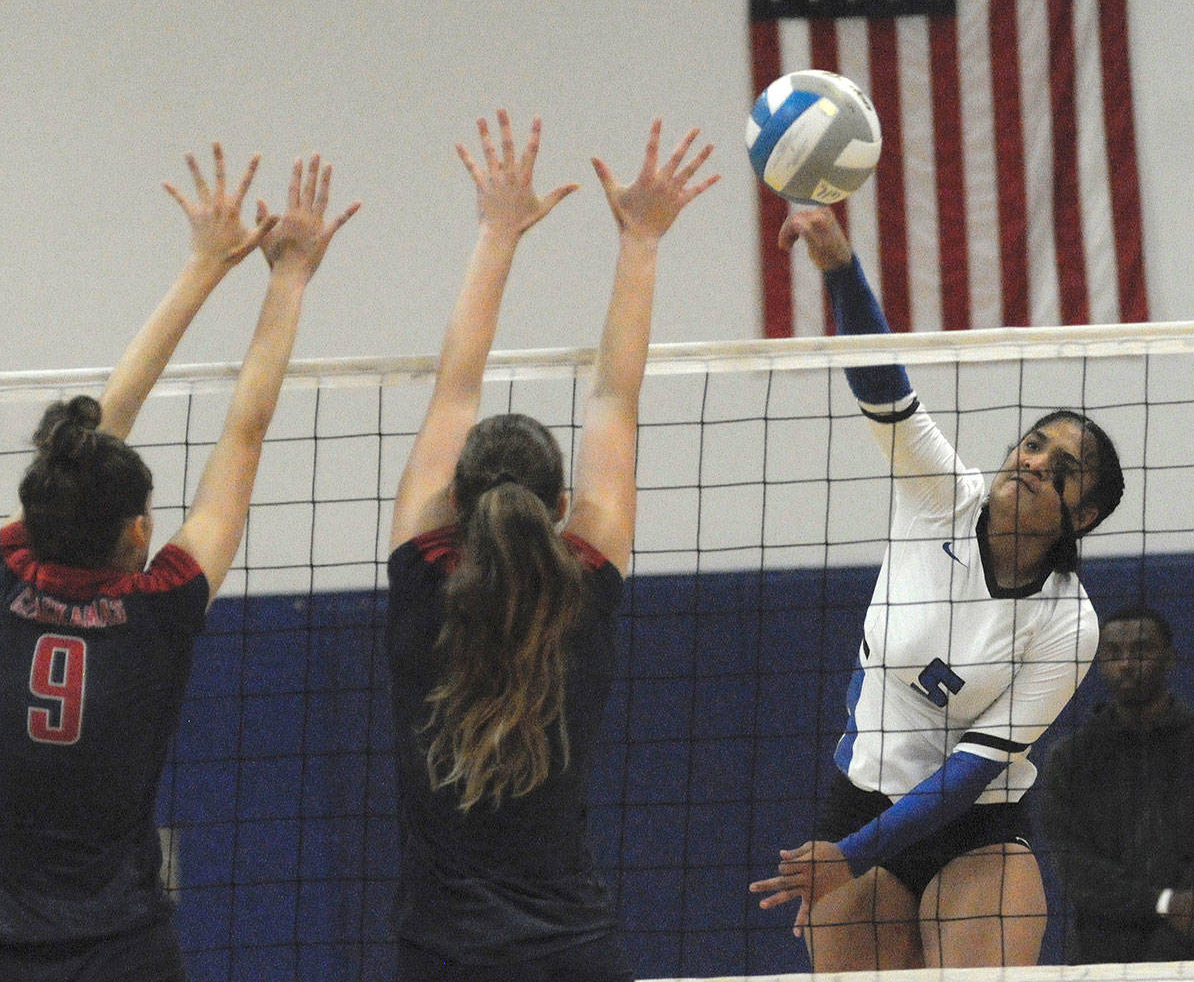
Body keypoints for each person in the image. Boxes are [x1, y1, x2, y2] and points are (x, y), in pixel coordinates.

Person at [0, 145, 357, 981]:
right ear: (135, 533)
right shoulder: (158, 605)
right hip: (121, 948)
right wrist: (287, 278)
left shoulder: (9, 564)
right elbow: (246, 430)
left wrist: (200, 267)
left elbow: (92, 437)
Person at [384, 111, 716, 982]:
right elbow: (616, 398)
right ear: (563, 505)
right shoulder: (588, 573)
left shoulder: (423, 564)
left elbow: (455, 379)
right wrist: (640, 240)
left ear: (452, 501)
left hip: (439, 956)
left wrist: (497, 230)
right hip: (571, 953)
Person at [748, 206, 1125, 970]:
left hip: (973, 826)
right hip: (862, 796)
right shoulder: (940, 496)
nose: (1033, 461)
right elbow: (885, 386)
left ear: (1081, 513)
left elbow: (970, 774)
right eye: (1033, 441)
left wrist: (851, 855)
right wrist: (839, 266)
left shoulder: (1067, 624)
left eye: (1063, 464)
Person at [1040, 604, 1194, 963]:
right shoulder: (1070, 759)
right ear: (1100, 663)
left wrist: (1184, 911)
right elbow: (1077, 871)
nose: (1125, 662)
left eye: (1140, 650)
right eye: (1112, 653)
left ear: (1169, 659)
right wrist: (1165, 903)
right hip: (1101, 955)